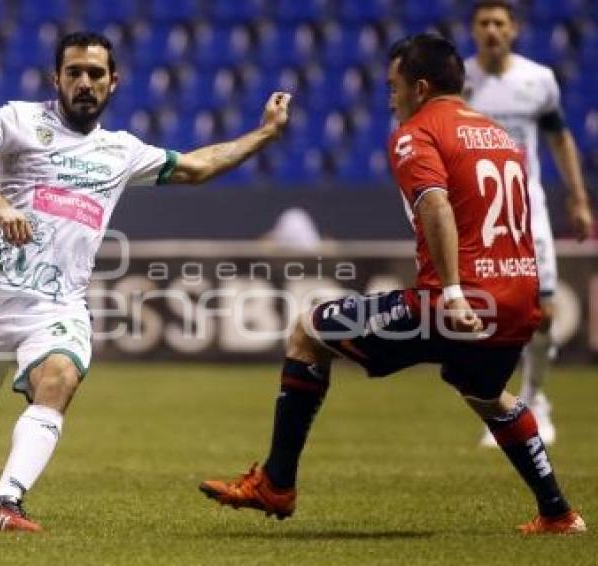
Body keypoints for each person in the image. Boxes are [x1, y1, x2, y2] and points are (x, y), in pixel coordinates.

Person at [199, 34, 585, 535]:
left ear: (420, 87)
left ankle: (276, 482)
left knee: (308, 332)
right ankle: (558, 512)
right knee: (486, 393)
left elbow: (435, 204)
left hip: (454, 302)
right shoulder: (498, 136)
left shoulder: (416, 133)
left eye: (393, 87)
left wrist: (449, 291)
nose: (390, 97)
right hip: (515, 301)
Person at [0, 31, 291, 532]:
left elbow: (197, 167)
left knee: (59, 379)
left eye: (96, 74)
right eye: (74, 72)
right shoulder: (18, 120)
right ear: (56, 79)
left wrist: (265, 133)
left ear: (113, 83)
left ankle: (4, 504)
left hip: (57, 306)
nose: (84, 82)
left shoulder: (121, 151)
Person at [465, 0, 594, 447]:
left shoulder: (538, 80)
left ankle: (535, 400)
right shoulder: (458, 82)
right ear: (473, 29)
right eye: (484, 23)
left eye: (500, 23)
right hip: (477, 219)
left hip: (528, 214)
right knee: (488, 317)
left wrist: (578, 199)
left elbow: (560, 138)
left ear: (514, 29)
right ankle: (498, 408)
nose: (492, 31)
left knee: (540, 311)